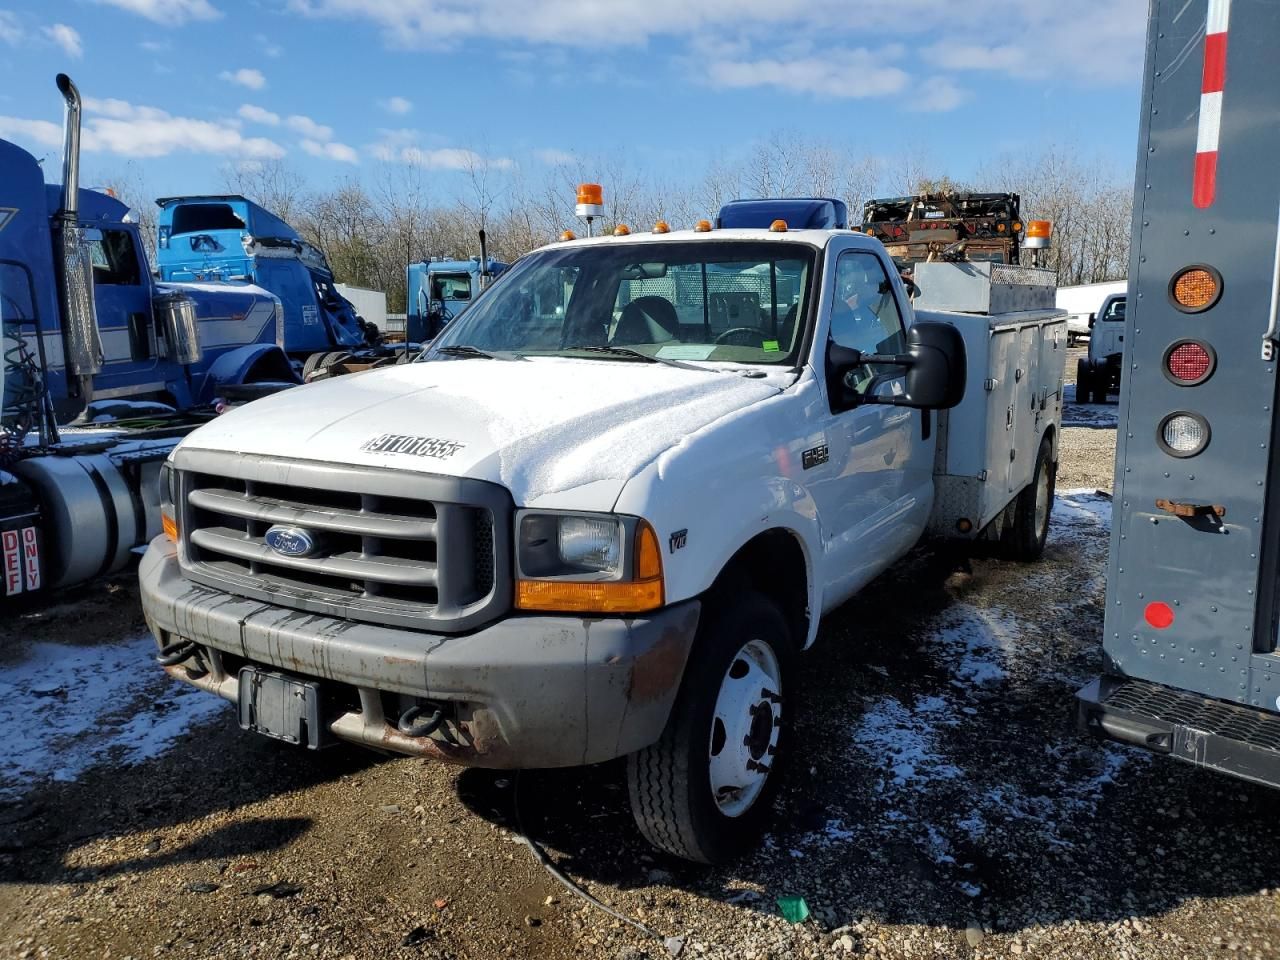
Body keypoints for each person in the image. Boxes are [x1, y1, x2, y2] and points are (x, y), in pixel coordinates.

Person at [829, 258, 888, 355]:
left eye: (862, 284)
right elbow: (838, 346)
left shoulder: (887, 303)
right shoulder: (841, 307)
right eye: (854, 285)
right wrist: (862, 338)